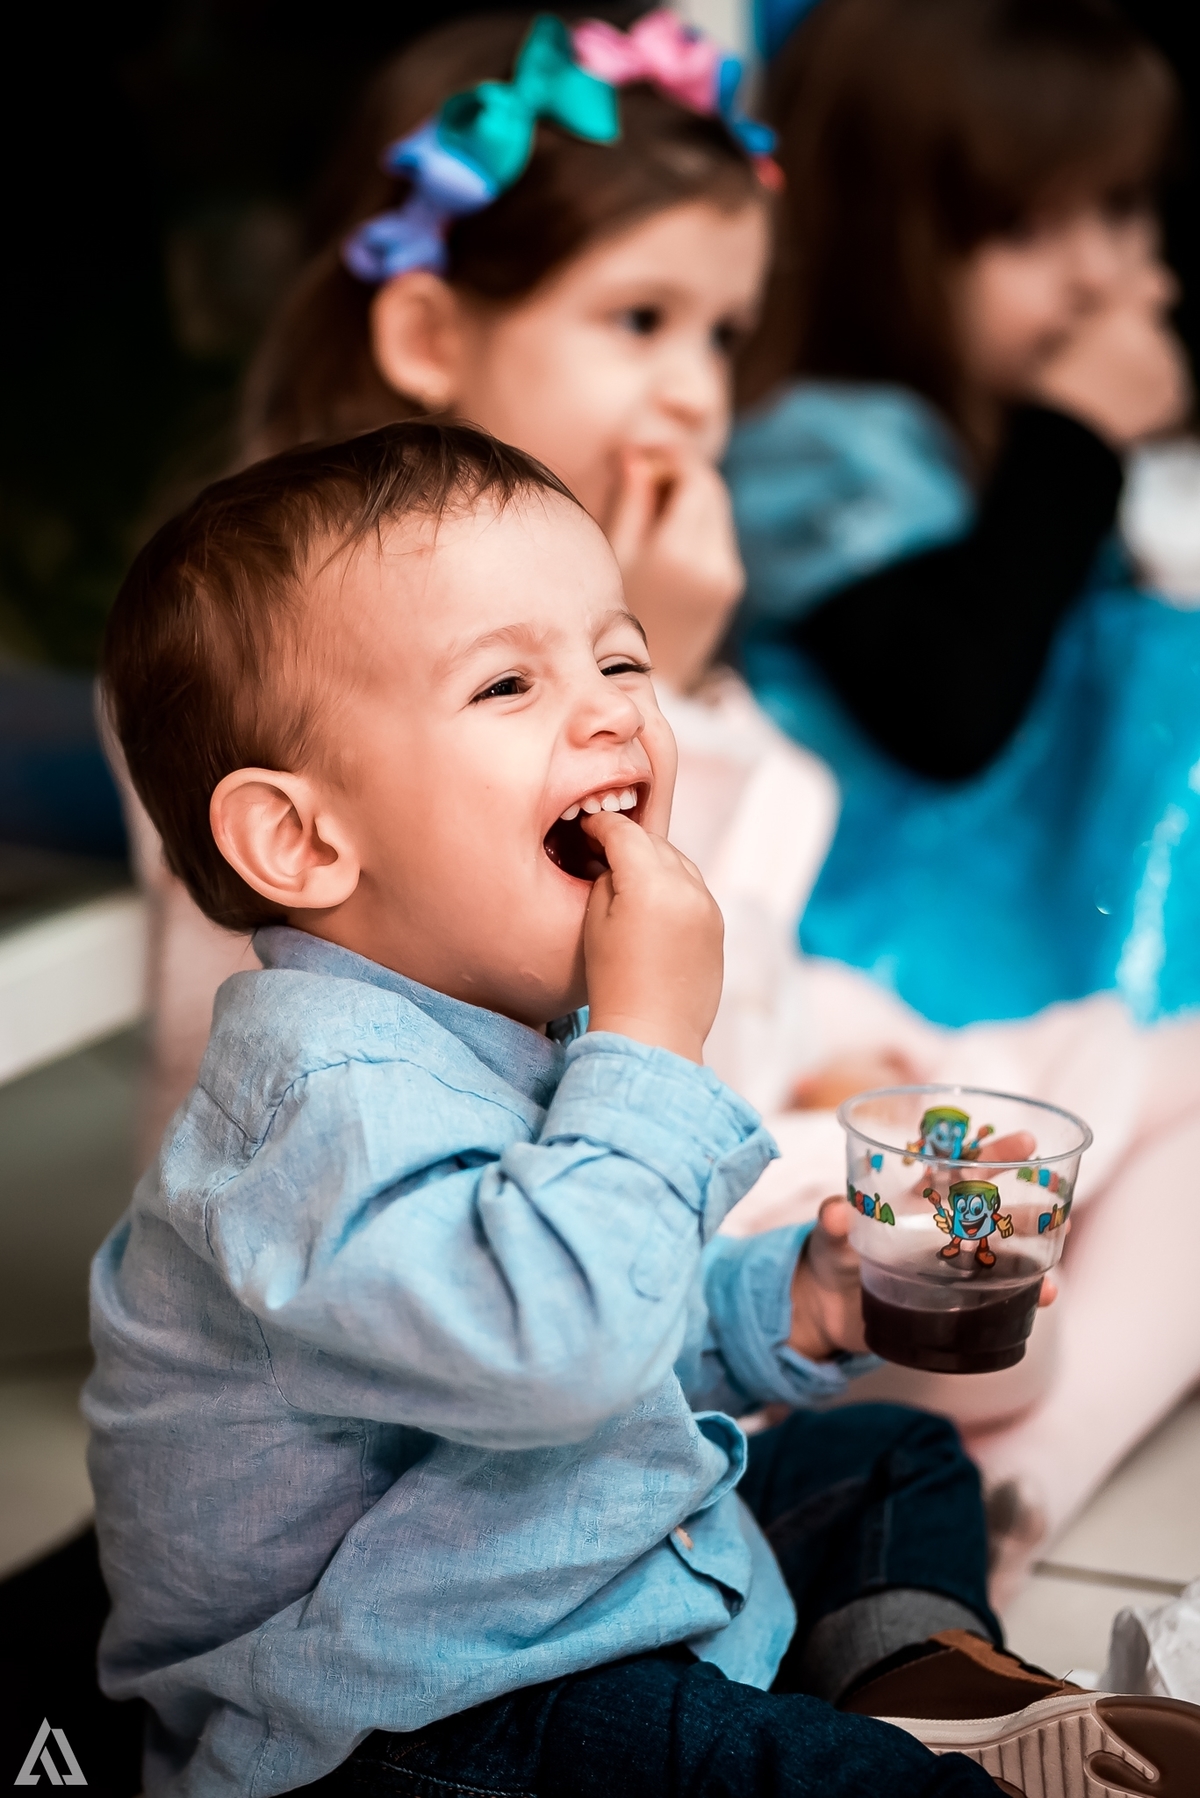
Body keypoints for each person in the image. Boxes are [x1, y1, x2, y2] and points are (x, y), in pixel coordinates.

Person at [87, 416, 1200, 1798]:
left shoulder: (484, 1032)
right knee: (745, 1761)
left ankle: (920, 1679)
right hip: (407, 1718)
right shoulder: (322, 1108)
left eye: (621, 658)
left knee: (890, 1456)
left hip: (570, 1578)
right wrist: (649, 1042)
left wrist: (793, 1304)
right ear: (304, 838)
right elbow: (562, 1351)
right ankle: (891, 1757)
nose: (614, 709)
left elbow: (613, 1325)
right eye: (509, 684)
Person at [726, 0, 1199, 1028]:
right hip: (876, 976)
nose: (1097, 275)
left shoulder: (1001, 440)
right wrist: (1073, 436)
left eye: (1120, 208)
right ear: (873, 236)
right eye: (1025, 228)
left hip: (1044, 950)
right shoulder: (814, 447)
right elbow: (948, 707)